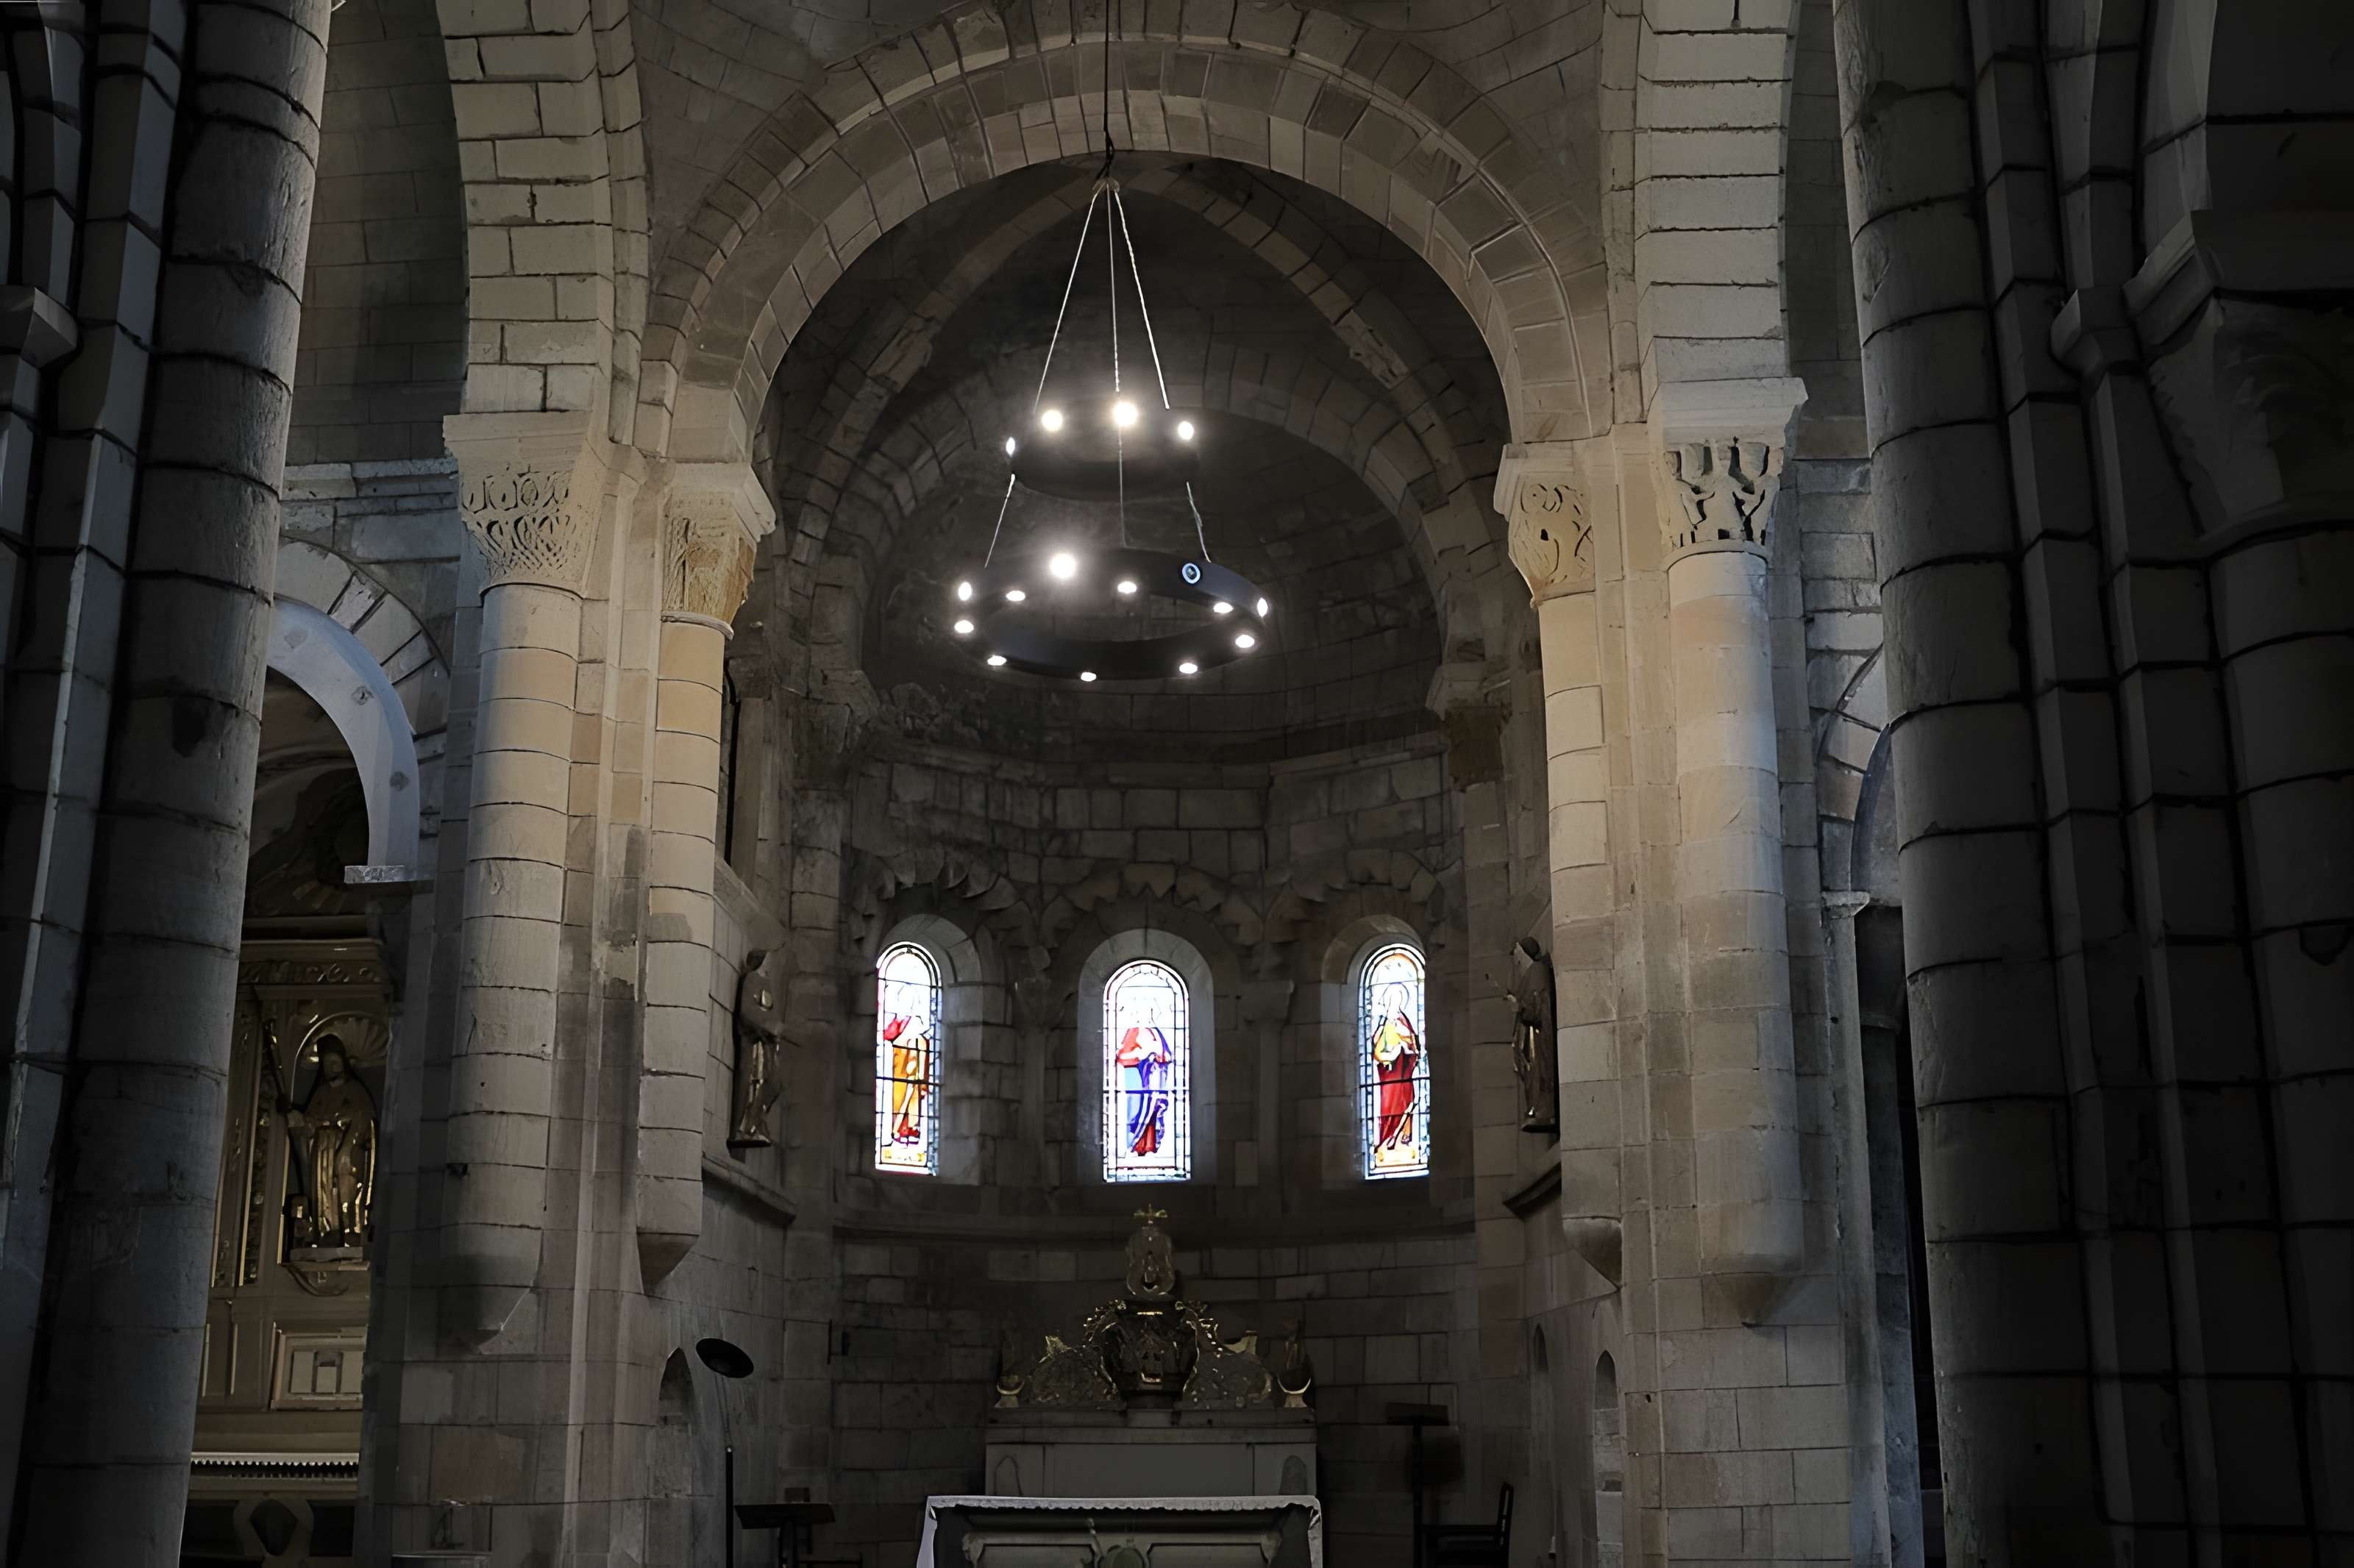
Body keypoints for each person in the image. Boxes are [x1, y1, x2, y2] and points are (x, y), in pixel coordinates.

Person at [286, 1035, 376, 1247]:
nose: (331, 1068)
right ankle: (324, 1231)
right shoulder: (321, 1093)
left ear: (343, 1063)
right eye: (326, 1064)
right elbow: (310, 1120)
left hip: (347, 1148)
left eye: (334, 1062)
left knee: (345, 1188)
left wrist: (346, 1148)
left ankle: (349, 1231)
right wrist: (296, 1118)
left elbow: (363, 1117)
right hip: (322, 1150)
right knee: (323, 1190)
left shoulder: (355, 1090)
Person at [1370, 983, 1421, 1161]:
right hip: (1388, 1076)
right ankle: (1386, 1140)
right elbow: (1376, 1048)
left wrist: (1404, 1043)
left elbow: (1414, 1046)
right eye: (1392, 1000)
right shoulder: (1384, 1023)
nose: (1395, 1003)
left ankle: (1401, 1141)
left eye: (1398, 1000)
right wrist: (1388, 1054)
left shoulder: (1403, 1021)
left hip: (1403, 1073)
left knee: (1406, 1102)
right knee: (1388, 1106)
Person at [1115, 1011, 1174, 1158]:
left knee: (1153, 1114)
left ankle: (1150, 1147)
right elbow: (1122, 1056)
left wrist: (1157, 1054)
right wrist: (1140, 1055)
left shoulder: (1156, 1033)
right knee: (1137, 1115)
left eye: (1150, 1012)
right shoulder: (1133, 1032)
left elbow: (1167, 1055)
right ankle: (1135, 1146)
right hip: (1137, 1083)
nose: (1147, 1015)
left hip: (1154, 1084)